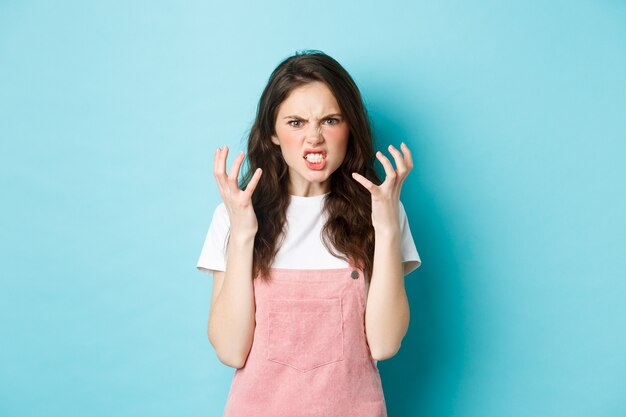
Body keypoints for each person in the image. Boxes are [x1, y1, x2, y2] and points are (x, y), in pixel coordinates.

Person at [196, 50, 422, 417]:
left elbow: (384, 343)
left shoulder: (382, 211)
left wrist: (386, 226)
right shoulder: (233, 215)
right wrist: (242, 234)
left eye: (330, 120)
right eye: (296, 122)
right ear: (272, 132)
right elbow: (230, 349)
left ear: (350, 128)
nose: (314, 138)